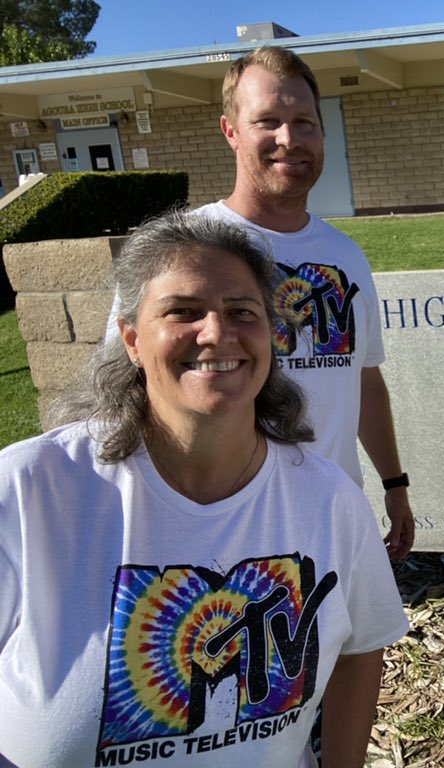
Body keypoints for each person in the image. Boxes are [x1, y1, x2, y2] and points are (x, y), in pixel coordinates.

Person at [0, 212, 409, 767]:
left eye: (242, 311)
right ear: (131, 341)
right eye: (183, 312)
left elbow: (362, 647)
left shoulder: (328, 498)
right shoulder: (29, 493)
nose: (217, 332)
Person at [215, 45, 413, 559]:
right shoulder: (188, 247)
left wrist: (395, 484)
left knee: (361, 642)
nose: (289, 139)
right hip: (227, 530)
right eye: (267, 121)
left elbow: (363, 379)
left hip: (335, 518)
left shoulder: (344, 256)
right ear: (231, 131)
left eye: (304, 121)